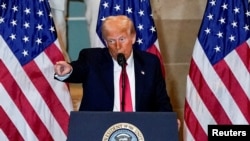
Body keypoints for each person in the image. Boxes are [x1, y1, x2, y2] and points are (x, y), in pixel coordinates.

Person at [54, 15, 173, 112]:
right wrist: (69, 70)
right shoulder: (93, 58)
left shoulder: (150, 63)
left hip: (140, 130)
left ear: (133, 37)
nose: (117, 46)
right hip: (99, 130)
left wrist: (169, 122)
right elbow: (78, 69)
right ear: (105, 42)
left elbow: (161, 101)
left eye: (122, 39)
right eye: (111, 41)